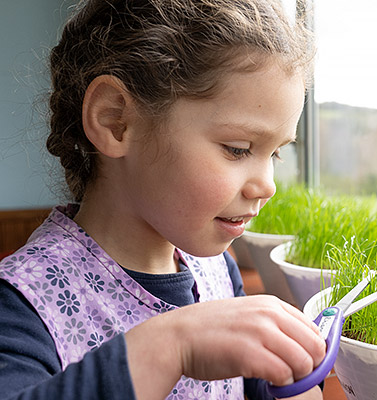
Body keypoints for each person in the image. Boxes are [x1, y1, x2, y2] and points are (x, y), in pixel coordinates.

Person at [0, 0, 327, 399]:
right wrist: (171, 346)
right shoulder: (24, 302)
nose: (267, 185)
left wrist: (292, 377)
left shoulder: (217, 269)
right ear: (116, 121)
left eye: (275, 153)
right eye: (238, 148)